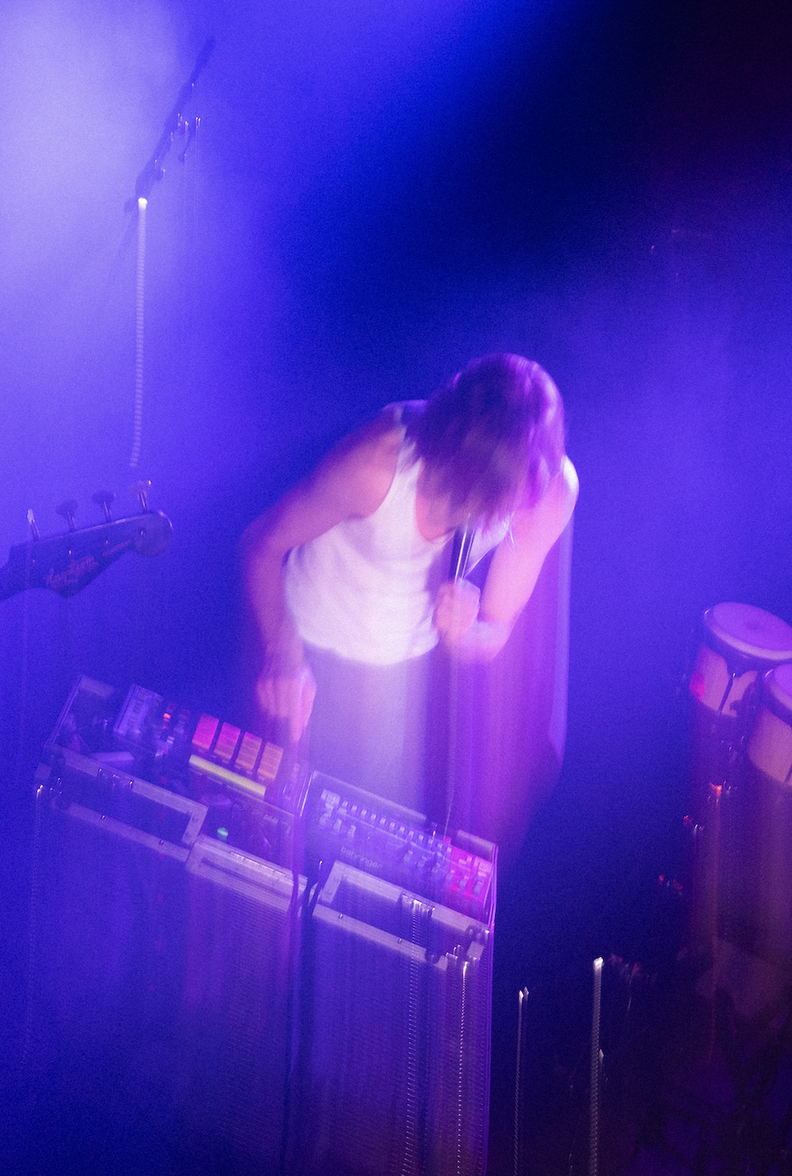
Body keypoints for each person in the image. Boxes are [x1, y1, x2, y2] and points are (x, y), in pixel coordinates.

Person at [241, 354, 578, 835]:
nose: (490, 521)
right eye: (483, 500)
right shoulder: (376, 463)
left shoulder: (545, 490)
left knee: (359, 841)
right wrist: (282, 655)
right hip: (303, 645)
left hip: (398, 675)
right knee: (265, 825)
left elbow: (496, 628)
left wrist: (464, 635)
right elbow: (261, 545)